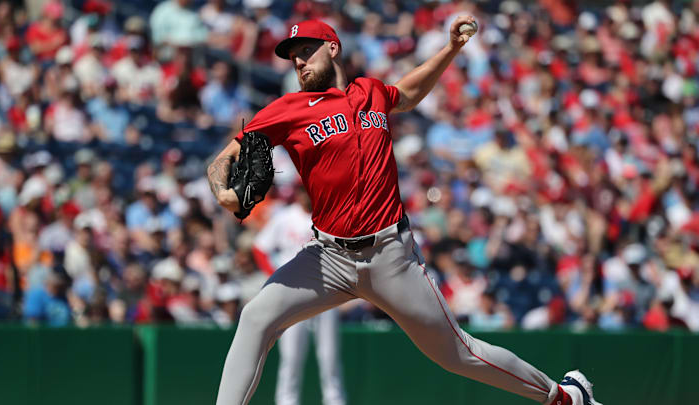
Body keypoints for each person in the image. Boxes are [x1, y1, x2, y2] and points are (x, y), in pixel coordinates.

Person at [207, 18, 602, 405]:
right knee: (256, 317)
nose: (298, 62)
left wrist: (450, 49)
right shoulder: (289, 109)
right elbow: (223, 159)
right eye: (292, 57)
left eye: (306, 50)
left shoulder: (371, 92)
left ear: (333, 48)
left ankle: (563, 396)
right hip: (327, 257)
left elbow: (408, 93)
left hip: (390, 256)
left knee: (457, 353)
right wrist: (224, 192)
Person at [253, 187, 346, 405]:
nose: (306, 194)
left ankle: (335, 401)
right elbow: (260, 248)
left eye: (309, 189)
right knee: (291, 358)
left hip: (327, 293)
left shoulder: (329, 216)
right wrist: (277, 276)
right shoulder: (285, 217)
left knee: (330, 358)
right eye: (302, 189)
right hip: (294, 296)